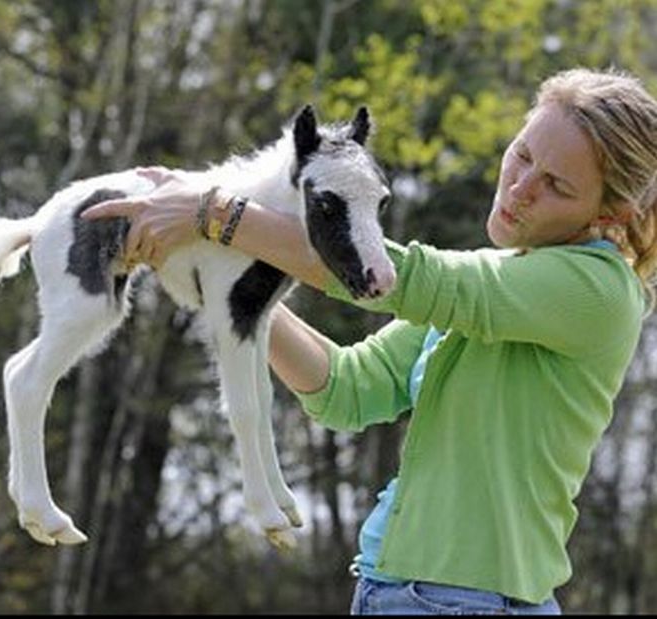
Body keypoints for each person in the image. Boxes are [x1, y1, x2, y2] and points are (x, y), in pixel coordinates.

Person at [83, 68, 657, 615]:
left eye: (555, 184)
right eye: (524, 154)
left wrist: (212, 213)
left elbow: (402, 280)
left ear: (610, 212)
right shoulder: (501, 278)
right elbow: (349, 388)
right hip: (396, 589)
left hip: (470, 601)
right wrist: (223, 276)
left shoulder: (597, 289)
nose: (521, 187)